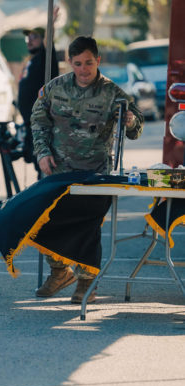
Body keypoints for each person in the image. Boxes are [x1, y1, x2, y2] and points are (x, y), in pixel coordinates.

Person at [31, 35, 144, 304]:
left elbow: (136, 127)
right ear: (69, 62)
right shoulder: (53, 89)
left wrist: (129, 121)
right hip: (58, 172)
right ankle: (59, 272)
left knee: (87, 228)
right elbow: (38, 121)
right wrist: (42, 153)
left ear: (98, 61)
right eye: (78, 63)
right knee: (44, 220)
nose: (84, 69)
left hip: (96, 173)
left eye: (89, 63)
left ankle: (86, 281)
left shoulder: (113, 92)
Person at [17, 26, 59, 173]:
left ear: (43, 39)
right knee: (37, 164)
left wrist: (51, 23)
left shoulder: (46, 58)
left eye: (34, 37)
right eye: (28, 37)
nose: (29, 40)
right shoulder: (31, 61)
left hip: (43, 122)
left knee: (45, 165)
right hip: (30, 123)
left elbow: (49, 43)